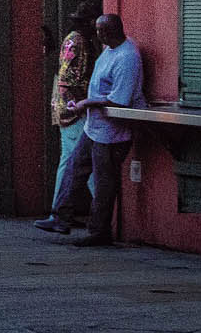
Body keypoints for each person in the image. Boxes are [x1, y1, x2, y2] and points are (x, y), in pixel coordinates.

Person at [35, 13, 146, 246]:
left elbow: (120, 99)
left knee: (105, 181)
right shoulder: (109, 50)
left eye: (100, 31)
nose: (97, 35)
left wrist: (86, 103)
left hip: (112, 131)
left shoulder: (127, 57)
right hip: (95, 125)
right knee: (75, 167)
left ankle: (99, 231)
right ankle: (60, 216)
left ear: (108, 32)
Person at [49, 2, 99, 218]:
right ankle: (104, 214)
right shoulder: (77, 41)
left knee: (70, 159)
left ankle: (58, 211)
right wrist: (80, 106)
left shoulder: (77, 40)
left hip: (67, 109)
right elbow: (67, 80)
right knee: (83, 161)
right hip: (73, 111)